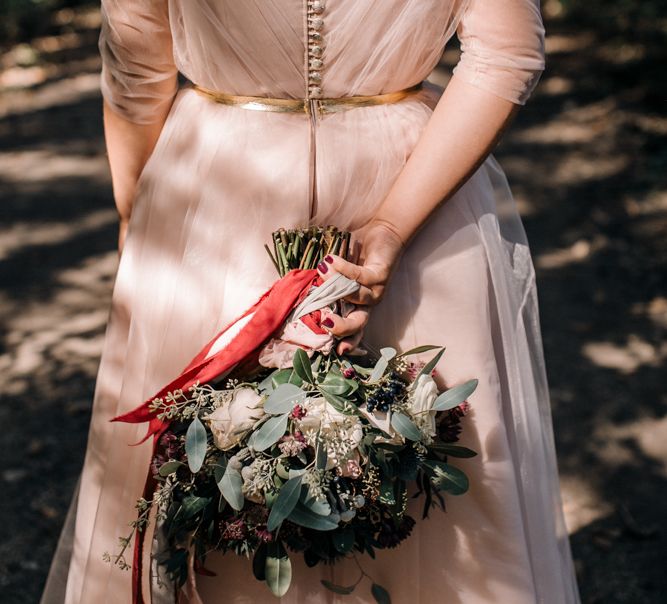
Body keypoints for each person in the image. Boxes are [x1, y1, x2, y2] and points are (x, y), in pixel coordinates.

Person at [40, 1, 581, 602]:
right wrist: (393, 226)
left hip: (213, 189)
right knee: (432, 486)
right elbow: (504, 55)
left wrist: (137, 214)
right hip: (411, 175)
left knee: (203, 480)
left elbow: (137, 64)